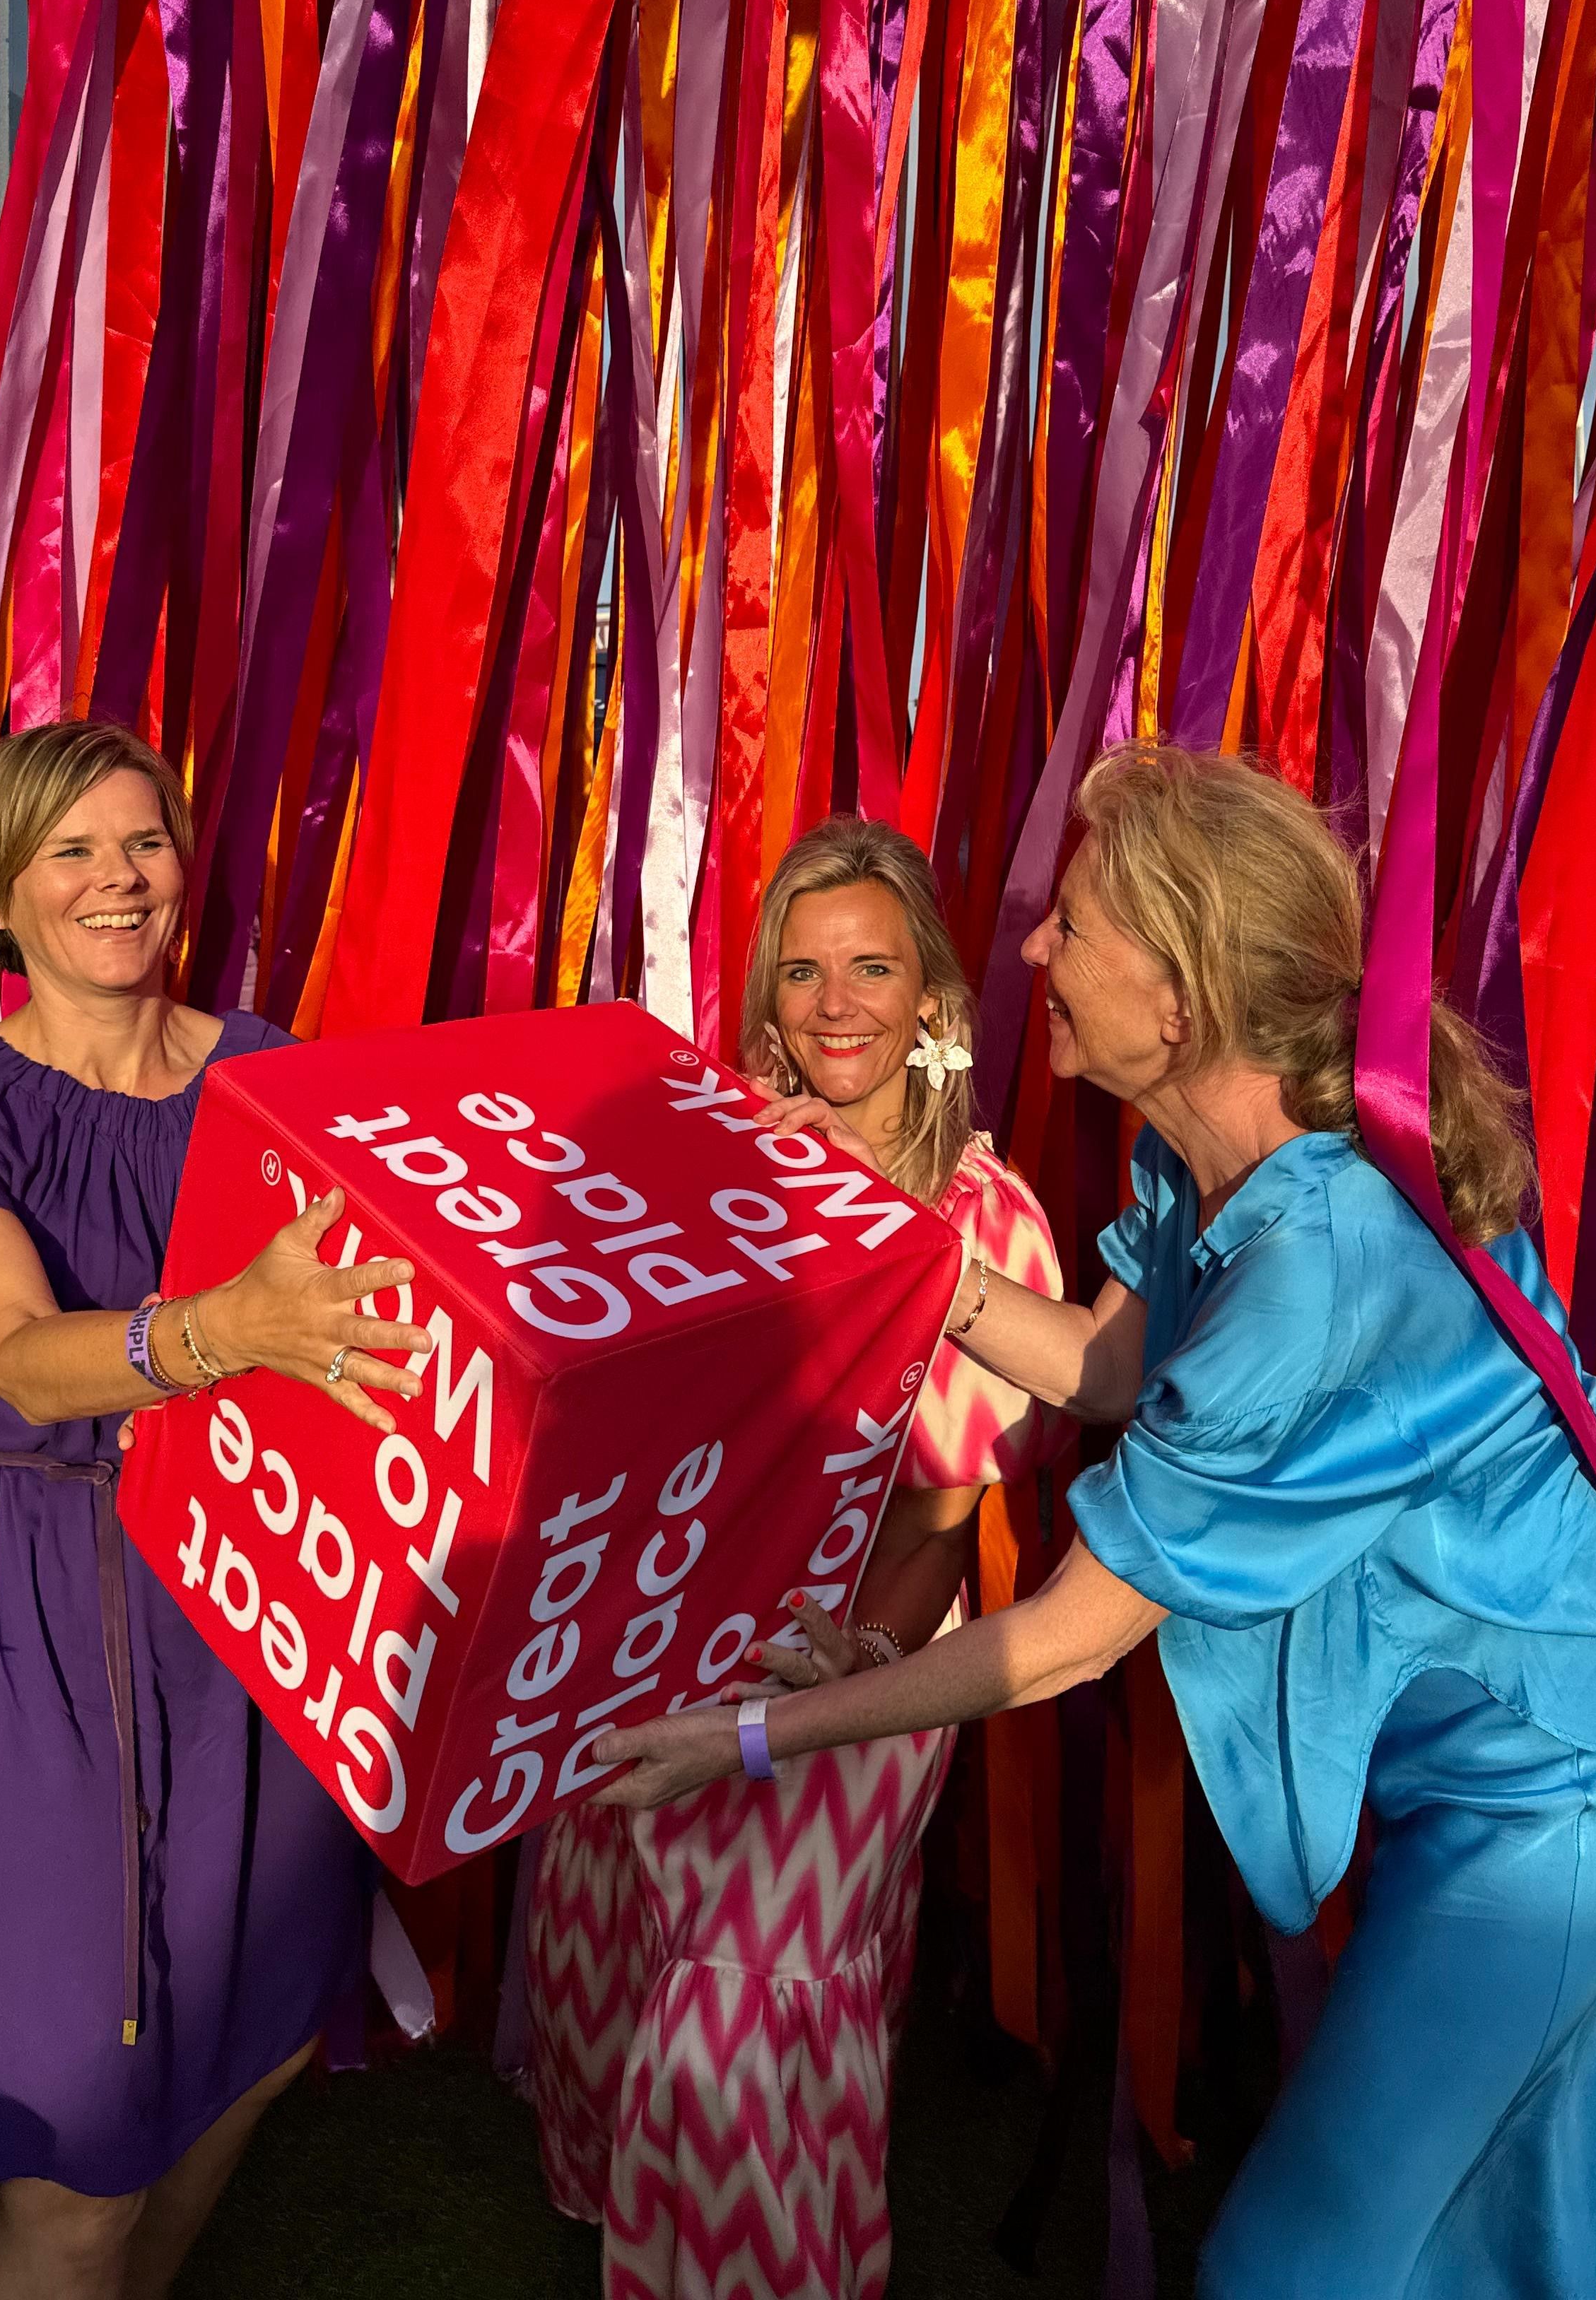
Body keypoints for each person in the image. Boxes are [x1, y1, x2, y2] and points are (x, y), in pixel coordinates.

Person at [594, 742, 1596, 2300]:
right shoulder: (1201, 1158)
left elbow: (1071, 1641)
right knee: (1593, 2223)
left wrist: (741, 1738)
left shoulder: (1313, 1274)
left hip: (1558, 1797)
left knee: (1291, 2263)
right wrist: (885, 1234)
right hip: (1522, 1771)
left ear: (1183, 995)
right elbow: (1101, 1365)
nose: (1032, 950)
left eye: (1073, 927)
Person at [0, 720, 435, 2300]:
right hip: (31, 1614)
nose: (117, 878)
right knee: (78, 2151)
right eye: (71, 850)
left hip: (264, 1601)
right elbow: (19, 1354)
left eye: (143, 842)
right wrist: (224, 1330)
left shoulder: (273, 1070)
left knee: (255, 2046)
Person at [524, 817, 1069, 2297]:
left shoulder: (985, 1221)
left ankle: (752, 2260)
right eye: (802, 971)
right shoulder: (703, 1166)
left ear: (932, 996)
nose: (835, 1005)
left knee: (743, 2014)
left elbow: (938, 1521)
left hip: (856, 1659)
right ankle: (633, 2204)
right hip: (652, 1632)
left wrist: (854, 1665)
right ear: (766, 993)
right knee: (623, 1933)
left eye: (872, 969)